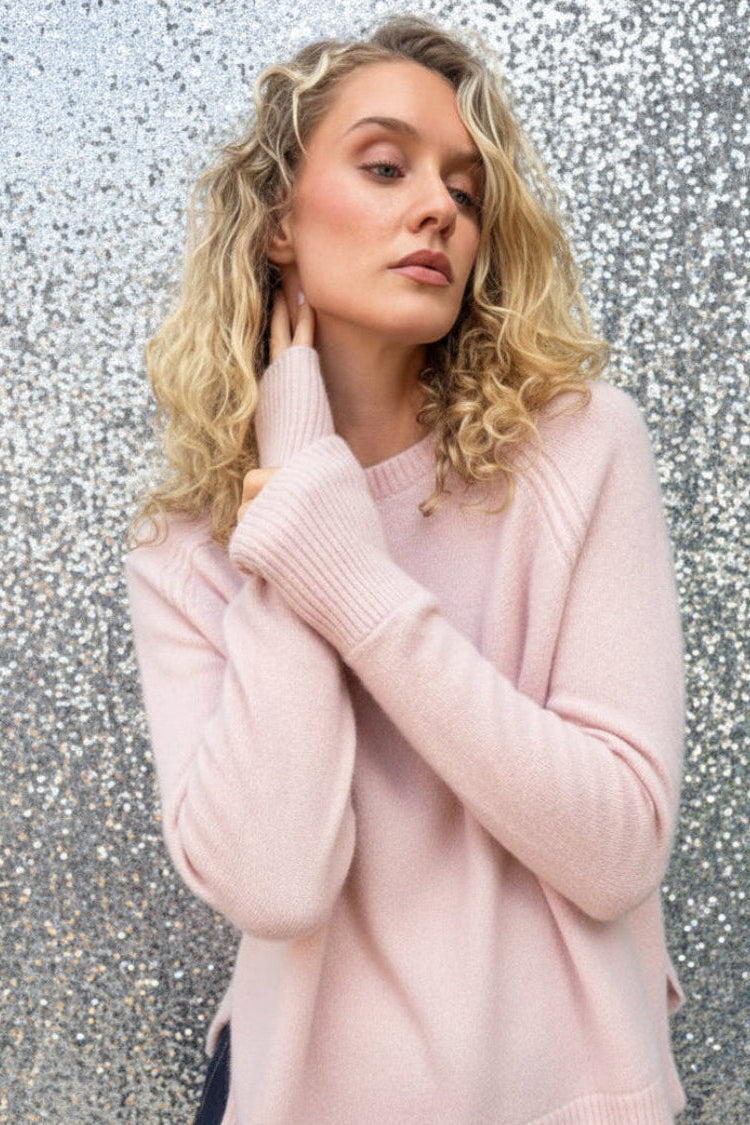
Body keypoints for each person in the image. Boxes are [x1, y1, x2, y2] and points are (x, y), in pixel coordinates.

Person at [125, 13, 687, 1124]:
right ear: (279, 220)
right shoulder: (185, 550)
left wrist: (347, 574)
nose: (439, 206)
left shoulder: (578, 450)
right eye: (385, 166)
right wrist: (297, 477)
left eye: (466, 191)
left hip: (565, 1098)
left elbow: (619, 846)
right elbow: (277, 882)